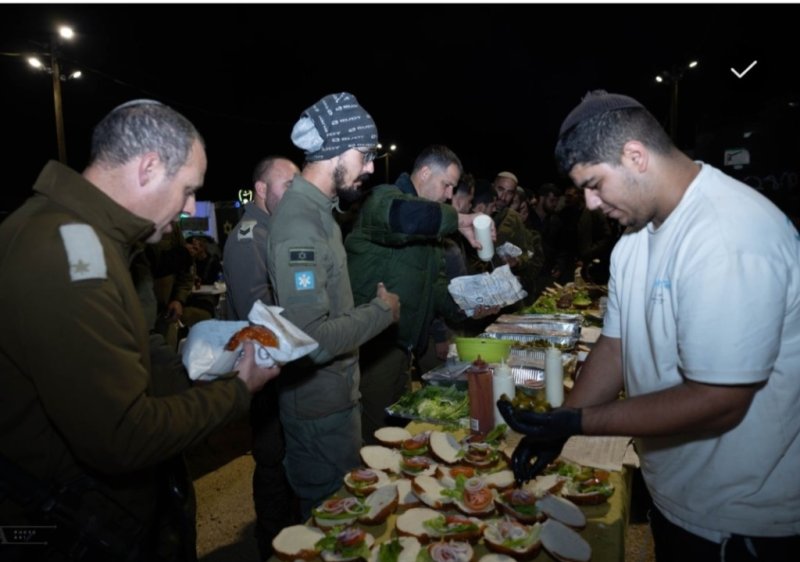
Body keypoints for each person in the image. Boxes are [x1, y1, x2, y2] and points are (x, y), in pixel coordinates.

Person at [499, 90, 800, 561]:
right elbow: (616, 348)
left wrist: (580, 421)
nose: (592, 204)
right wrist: (559, 425)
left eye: (595, 184)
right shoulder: (633, 241)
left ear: (635, 156)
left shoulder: (726, 233)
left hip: (740, 519)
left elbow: (719, 400)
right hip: (678, 496)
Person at [0, 99, 280, 562]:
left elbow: (132, 344)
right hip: (77, 524)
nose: (191, 205)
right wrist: (239, 390)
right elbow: (124, 436)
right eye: (189, 188)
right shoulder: (71, 255)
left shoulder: (88, 237)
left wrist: (193, 364)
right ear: (149, 167)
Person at [266, 92, 401, 521]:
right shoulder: (300, 225)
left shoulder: (320, 212)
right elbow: (311, 341)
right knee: (332, 529)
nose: (367, 168)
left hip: (336, 403)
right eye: (363, 155)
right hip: (319, 415)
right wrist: (381, 312)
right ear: (338, 150)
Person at [346, 146, 498, 443]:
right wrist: (461, 219)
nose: (449, 194)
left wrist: (471, 305)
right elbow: (405, 218)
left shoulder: (430, 228)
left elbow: (436, 286)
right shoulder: (385, 199)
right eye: (447, 185)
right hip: (372, 347)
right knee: (374, 437)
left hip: (402, 348)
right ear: (425, 173)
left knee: (400, 432)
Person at [222, 154, 300, 559]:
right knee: (272, 461)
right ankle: (270, 545)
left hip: (284, 366)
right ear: (262, 190)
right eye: (286, 184)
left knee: (285, 462)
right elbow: (259, 315)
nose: (293, 193)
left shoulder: (276, 231)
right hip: (266, 368)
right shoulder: (251, 236)